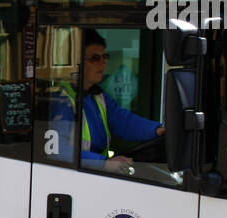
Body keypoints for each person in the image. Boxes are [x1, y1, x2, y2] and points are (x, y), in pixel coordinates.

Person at [51, 30, 164, 172]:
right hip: (73, 177)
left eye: (104, 57)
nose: (103, 64)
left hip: (94, 175)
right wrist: (103, 163)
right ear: (76, 62)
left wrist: (158, 130)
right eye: (94, 58)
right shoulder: (60, 100)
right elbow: (56, 150)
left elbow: (124, 122)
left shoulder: (98, 96)